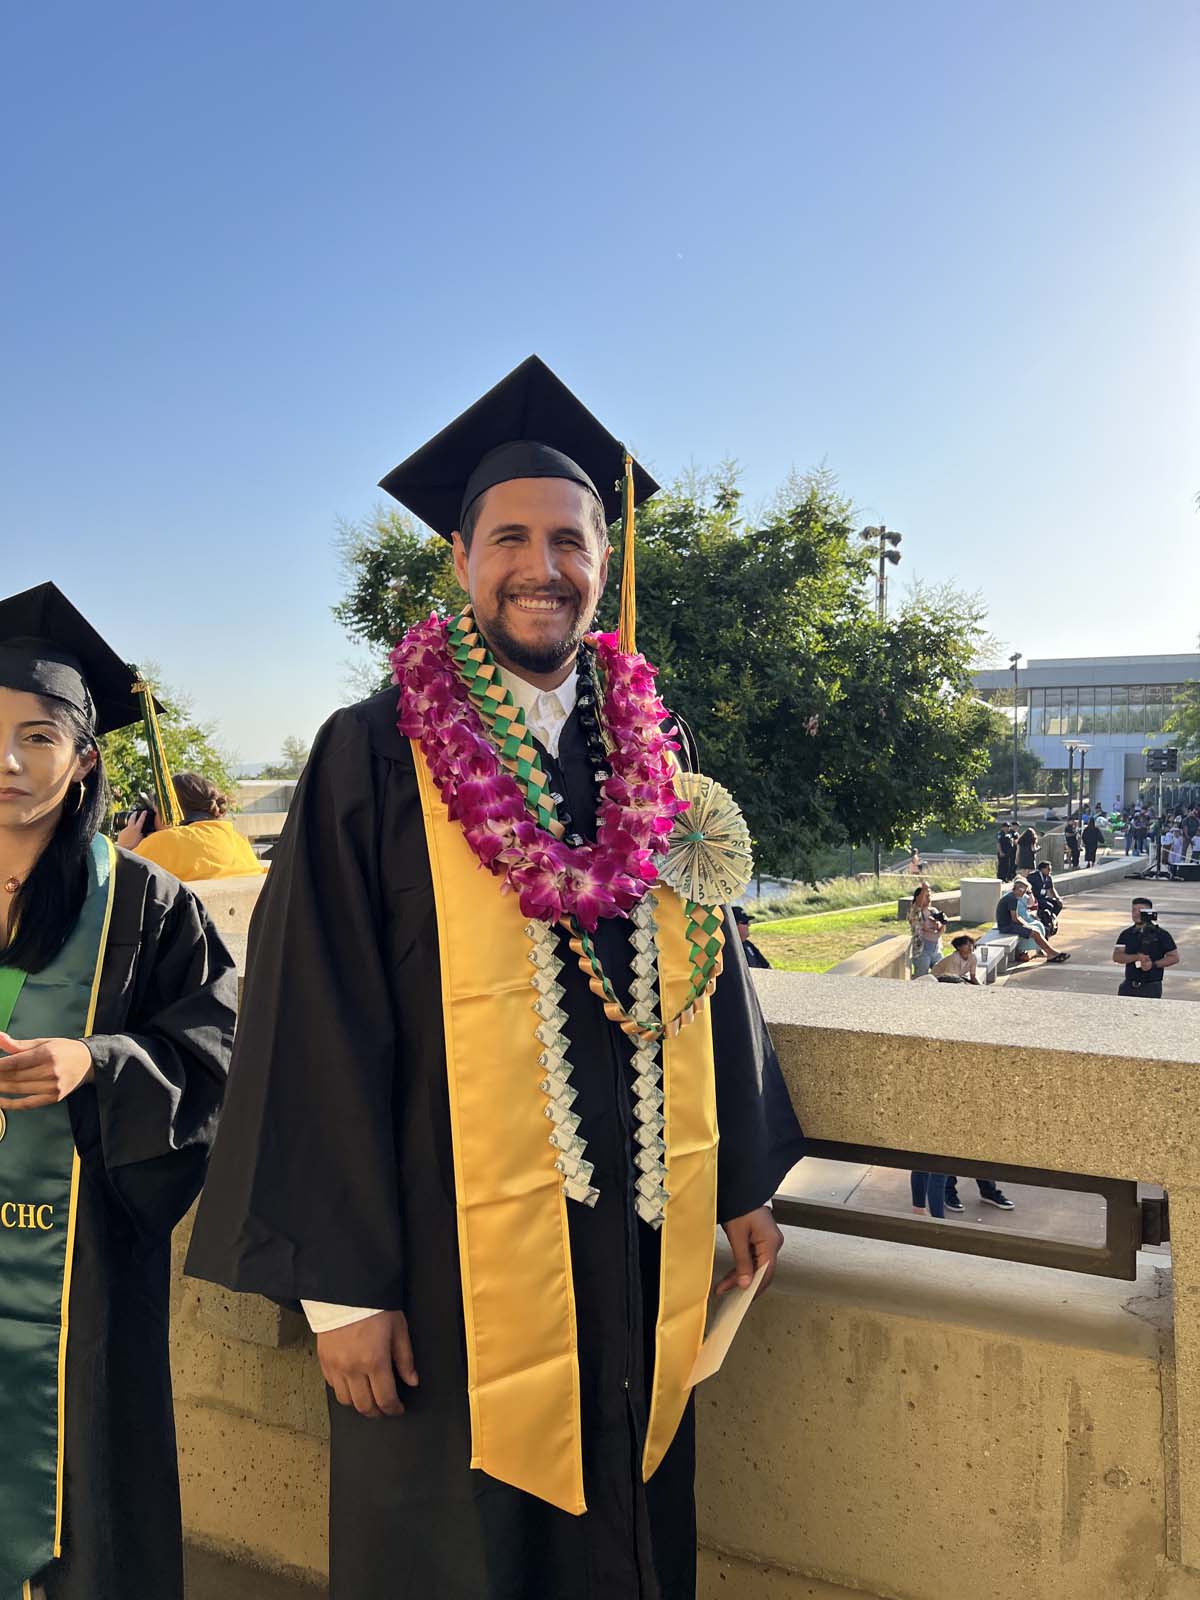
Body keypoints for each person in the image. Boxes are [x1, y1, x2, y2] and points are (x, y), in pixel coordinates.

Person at [185, 356, 806, 1600]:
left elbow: (707, 970)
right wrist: (334, 1290)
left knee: (625, 1534)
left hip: (633, 1245)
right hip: (439, 1268)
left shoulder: (651, 748)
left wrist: (735, 1178)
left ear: (602, 564)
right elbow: (313, 1015)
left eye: (569, 539)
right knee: (459, 1550)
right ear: (460, 558)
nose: (543, 565)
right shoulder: (371, 752)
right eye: (509, 536)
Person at [0, 582, 236, 1600]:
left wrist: (94, 1062)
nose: (7, 761)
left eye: (39, 735)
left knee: (91, 1507)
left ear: (87, 756)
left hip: (80, 1268)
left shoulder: (149, 904)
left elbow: (218, 1054)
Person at [116, 769, 267, 880]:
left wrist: (124, 850)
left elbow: (112, 887)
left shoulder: (164, 843)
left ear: (168, 811)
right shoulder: (239, 842)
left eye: (154, 812)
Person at [1113, 897, 1179, 998]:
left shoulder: (1161, 934)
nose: (1136, 913)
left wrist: (1153, 965)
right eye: (1134, 910)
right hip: (1129, 985)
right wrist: (1137, 957)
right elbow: (1117, 956)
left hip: (1151, 986)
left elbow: (1174, 957)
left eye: (1141, 910)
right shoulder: (1126, 934)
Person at [996, 876, 1070, 964]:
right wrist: (1027, 926)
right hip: (1007, 927)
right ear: (1019, 889)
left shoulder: (1011, 896)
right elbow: (1015, 918)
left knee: (1035, 930)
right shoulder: (1012, 899)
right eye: (1024, 891)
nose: (1024, 894)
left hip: (1007, 924)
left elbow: (1016, 917)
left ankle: (1051, 953)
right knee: (1035, 933)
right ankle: (1051, 954)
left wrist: (1027, 925)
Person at [907, 882, 945, 978]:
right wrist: (924, 889)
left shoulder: (934, 911)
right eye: (926, 896)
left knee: (942, 974)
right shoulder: (915, 912)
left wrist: (941, 924)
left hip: (936, 950)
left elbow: (942, 930)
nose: (928, 899)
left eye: (930, 896)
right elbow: (918, 905)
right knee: (921, 976)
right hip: (922, 951)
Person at [1027, 860, 1062, 938]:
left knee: (1057, 904)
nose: (1050, 871)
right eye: (1048, 869)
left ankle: (1051, 918)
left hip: (1043, 897)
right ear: (1042, 869)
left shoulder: (1048, 878)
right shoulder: (1033, 876)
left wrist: (1057, 898)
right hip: (1035, 898)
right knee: (1049, 906)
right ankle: (1046, 924)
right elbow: (1027, 887)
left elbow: (1052, 889)